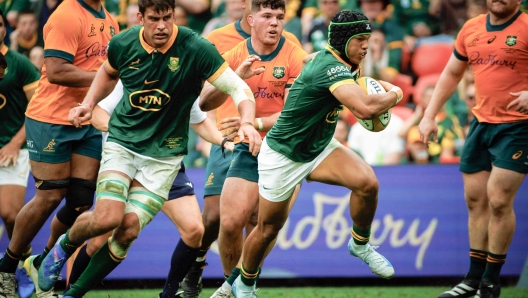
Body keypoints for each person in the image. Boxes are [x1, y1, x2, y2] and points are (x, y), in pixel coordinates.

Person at [37, 1, 260, 297]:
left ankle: (73, 294)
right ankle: (60, 250)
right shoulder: (123, 44)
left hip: (164, 160)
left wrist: (244, 123)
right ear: (140, 18)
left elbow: (237, 89)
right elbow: (106, 72)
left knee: (129, 229)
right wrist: (89, 105)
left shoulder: (195, 49)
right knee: (107, 219)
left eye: (168, 18)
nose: (162, 26)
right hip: (123, 146)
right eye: (154, 19)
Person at [231, 10, 402, 297]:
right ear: (344, 39)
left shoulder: (346, 63)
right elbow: (365, 109)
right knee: (268, 229)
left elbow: (321, 67)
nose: (366, 46)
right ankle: (245, 284)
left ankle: (359, 244)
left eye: (368, 39)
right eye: (360, 39)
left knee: (367, 183)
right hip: (284, 155)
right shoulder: (331, 67)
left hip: (319, 148)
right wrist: (396, 93)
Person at [63, 80, 234, 298]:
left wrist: (225, 141)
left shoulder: (184, 77)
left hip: (166, 164)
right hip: (126, 164)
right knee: (100, 238)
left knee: (194, 230)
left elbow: (199, 120)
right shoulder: (131, 73)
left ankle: (169, 294)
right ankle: (70, 289)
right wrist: (129, 133)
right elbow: (97, 113)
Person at [180, 1, 301, 296]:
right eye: (267, 16)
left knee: (260, 221)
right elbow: (201, 98)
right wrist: (234, 77)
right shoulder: (220, 41)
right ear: (250, 17)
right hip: (229, 139)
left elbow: (294, 111)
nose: (274, 22)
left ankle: (239, 285)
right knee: (214, 217)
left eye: (279, 17)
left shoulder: (292, 49)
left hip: (276, 144)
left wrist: (256, 123)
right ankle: (197, 267)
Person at [0, 1, 118, 297]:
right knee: (50, 196)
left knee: (80, 200)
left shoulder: (111, 20)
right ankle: (6, 268)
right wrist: (107, 79)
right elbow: (55, 70)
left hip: (88, 117)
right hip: (51, 118)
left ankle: (42, 261)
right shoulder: (66, 14)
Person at [418, 1, 528, 297]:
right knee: (474, 200)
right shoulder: (471, 28)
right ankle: (472, 280)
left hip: (518, 127)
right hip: (480, 124)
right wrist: (429, 115)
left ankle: (491, 281)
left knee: (498, 200)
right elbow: (452, 74)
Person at [0, 10, 41, 297]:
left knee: (10, 213)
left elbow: (37, 110)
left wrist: (15, 143)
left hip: (13, 150)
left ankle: (21, 264)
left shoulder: (20, 65)